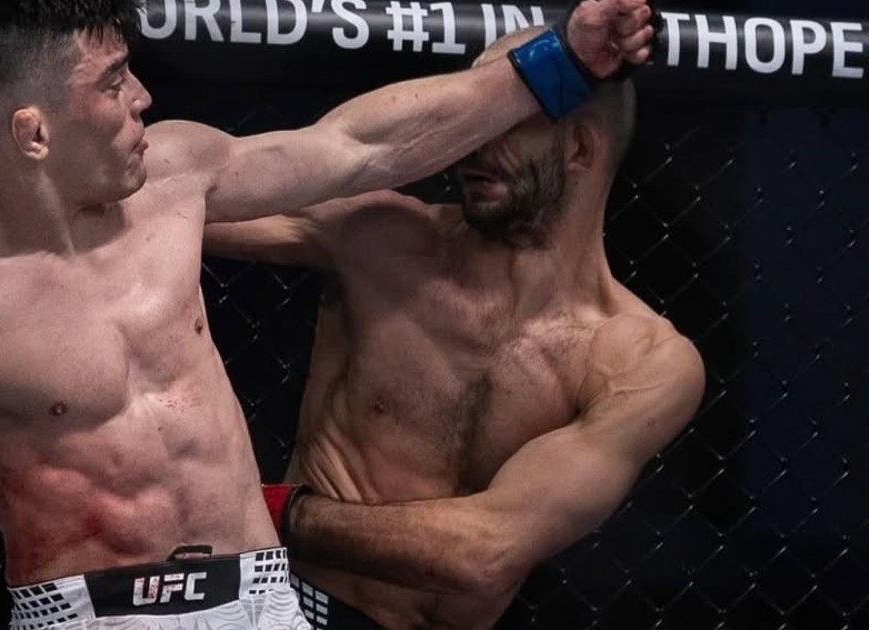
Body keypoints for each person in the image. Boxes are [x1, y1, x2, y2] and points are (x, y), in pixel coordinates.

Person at [0, 1, 657, 628]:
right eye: (113, 82)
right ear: (34, 131)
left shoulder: (172, 179)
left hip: (270, 600)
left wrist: (563, 59)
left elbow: (359, 146)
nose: (143, 98)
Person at [204, 28, 706, 630]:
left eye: (506, 117)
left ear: (579, 149)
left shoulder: (642, 361)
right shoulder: (378, 237)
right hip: (291, 606)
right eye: (471, 113)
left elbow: (485, 553)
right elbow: (169, 203)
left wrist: (269, 511)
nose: (472, 140)